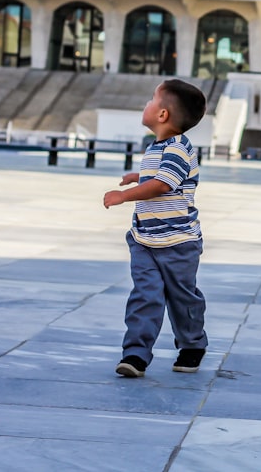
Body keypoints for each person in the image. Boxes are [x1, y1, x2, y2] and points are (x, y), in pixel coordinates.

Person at [103, 79, 208, 378]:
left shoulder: (179, 147)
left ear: (162, 115)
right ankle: (135, 354)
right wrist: (138, 176)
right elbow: (157, 174)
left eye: (151, 100)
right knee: (144, 296)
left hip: (178, 242)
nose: (145, 105)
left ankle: (192, 344)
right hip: (144, 240)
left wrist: (123, 196)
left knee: (182, 297)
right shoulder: (158, 147)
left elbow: (163, 184)